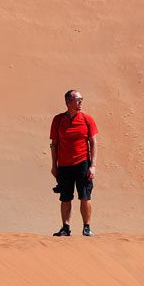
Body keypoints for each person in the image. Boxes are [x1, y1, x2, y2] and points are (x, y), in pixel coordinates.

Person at [49, 89, 99, 236]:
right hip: (64, 165)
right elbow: (54, 144)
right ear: (68, 102)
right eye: (78, 99)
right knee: (65, 197)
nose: (80, 102)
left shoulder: (86, 119)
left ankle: (87, 227)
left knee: (85, 195)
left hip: (82, 162)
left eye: (81, 99)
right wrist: (54, 165)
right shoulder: (58, 120)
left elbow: (94, 142)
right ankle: (65, 227)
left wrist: (93, 166)